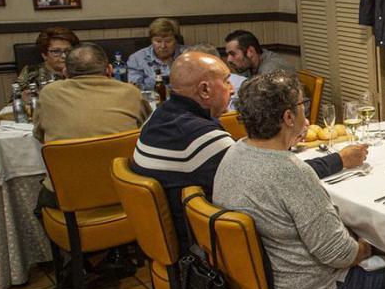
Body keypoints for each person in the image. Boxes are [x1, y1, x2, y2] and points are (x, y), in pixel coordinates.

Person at [213, 71, 385, 289]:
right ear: (288, 117)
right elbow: (340, 254)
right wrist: (371, 245)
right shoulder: (290, 171)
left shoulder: (234, 151)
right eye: (301, 106)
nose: (304, 113)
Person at [132, 51, 363, 237]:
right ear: (204, 89)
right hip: (200, 243)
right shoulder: (201, 136)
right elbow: (275, 178)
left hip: (163, 233)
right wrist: (339, 159)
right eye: (225, 81)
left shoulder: (159, 116)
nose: (232, 88)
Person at [33, 43, 153, 289]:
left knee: (40, 200)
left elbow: (39, 134)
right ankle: (117, 252)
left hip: (72, 198)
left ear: (65, 72)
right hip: (125, 189)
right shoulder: (130, 92)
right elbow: (145, 129)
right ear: (109, 69)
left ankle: (76, 264)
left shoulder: (49, 94)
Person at [127, 17, 186, 90]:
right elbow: (135, 88)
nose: (163, 46)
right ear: (151, 41)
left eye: (168, 41)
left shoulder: (188, 55)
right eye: (158, 41)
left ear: (176, 40)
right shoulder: (136, 59)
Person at [223, 29, 297, 78]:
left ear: (250, 51)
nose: (229, 59)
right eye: (228, 54)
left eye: (233, 54)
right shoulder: (248, 65)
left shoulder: (270, 70)